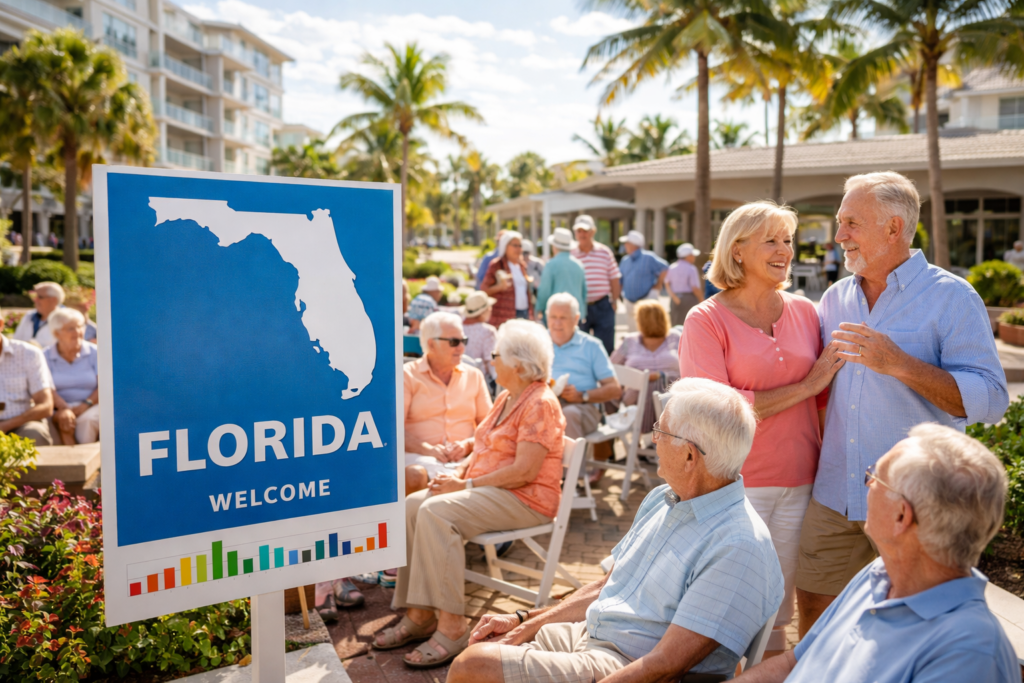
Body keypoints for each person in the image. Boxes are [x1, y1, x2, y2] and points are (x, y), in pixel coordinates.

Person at [447, 378, 784, 683]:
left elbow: (665, 666)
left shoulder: (738, 544)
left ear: (689, 456)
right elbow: (608, 585)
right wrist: (525, 620)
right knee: (486, 645)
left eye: (661, 432)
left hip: (624, 663)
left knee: (473, 667)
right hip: (592, 634)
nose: (653, 439)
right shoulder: (665, 499)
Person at [797, 171, 1008, 636]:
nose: (839, 236)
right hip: (835, 495)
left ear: (893, 229)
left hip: (915, 504)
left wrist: (899, 363)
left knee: (911, 629)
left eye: (851, 223)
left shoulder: (952, 297)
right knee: (814, 616)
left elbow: (993, 400)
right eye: (839, 222)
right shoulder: (834, 298)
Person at [678, 201, 845, 655]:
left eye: (787, 240)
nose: (784, 250)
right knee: (728, 604)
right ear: (736, 251)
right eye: (770, 240)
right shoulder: (704, 320)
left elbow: (826, 400)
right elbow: (717, 411)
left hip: (804, 480)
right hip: (736, 484)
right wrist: (806, 385)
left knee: (779, 607)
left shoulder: (808, 313)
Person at [735, 424, 1018, 683]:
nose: (866, 484)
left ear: (901, 516)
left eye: (874, 477)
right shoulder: (877, 574)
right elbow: (792, 663)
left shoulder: (968, 652)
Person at [373, 320, 566, 669]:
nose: (490, 361)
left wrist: (464, 486)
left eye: (496, 355)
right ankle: (419, 614)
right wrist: (456, 474)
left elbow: (525, 471)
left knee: (437, 512)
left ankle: (452, 625)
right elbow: (481, 448)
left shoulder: (540, 402)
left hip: (525, 498)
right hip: (492, 489)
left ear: (517, 364)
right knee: (413, 505)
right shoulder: (509, 396)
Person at [405, 311, 493, 495]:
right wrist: (427, 449)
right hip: (420, 458)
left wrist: (468, 445)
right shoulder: (407, 375)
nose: (461, 348)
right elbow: (393, 429)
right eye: (454, 342)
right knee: (413, 475)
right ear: (431, 344)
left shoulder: (474, 375)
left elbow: (490, 425)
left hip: (466, 458)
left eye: (463, 341)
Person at [547, 293, 622, 439]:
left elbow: (615, 390)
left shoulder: (591, 345)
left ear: (576, 319)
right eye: (553, 317)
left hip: (583, 407)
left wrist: (582, 396)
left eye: (563, 318)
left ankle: (571, 463)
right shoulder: (538, 341)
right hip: (545, 404)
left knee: (568, 415)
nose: (557, 323)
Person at [610, 300, 680, 434]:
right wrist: (642, 378)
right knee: (646, 388)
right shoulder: (629, 341)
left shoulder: (675, 338)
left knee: (659, 391)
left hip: (672, 397)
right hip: (635, 398)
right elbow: (610, 368)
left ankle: (650, 437)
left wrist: (659, 376)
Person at [44, 308, 99, 445]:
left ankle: (85, 460)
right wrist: (64, 408)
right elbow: (45, 387)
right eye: (70, 329)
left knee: (88, 420)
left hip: (91, 404)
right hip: (57, 407)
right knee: (58, 421)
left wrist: (86, 404)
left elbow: (104, 385)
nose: (78, 332)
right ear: (57, 333)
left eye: (80, 326)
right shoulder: (44, 355)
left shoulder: (94, 352)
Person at [0, 307, 54, 445]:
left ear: (1, 324)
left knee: (34, 433)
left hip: (21, 424)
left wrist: (5, 426)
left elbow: (46, 405)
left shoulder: (29, 353)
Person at [572, 215, 622, 354]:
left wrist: (614, 301)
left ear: (593, 232)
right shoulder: (571, 253)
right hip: (580, 306)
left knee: (606, 347)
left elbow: (614, 278)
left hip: (603, 305)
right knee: (581, 348)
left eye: (585, 231)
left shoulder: (604, 252)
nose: (582, 234)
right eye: (579, 231)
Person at [618, 229, 668, 332]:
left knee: (649, 329)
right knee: (632, 331)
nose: (625, 245)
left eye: (627, 243)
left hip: (646, 299)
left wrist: (658, 284)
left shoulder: (648, 257)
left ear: (633, 244)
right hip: (629, 301)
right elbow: (621, 279)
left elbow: (665, 268)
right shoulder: (625, 260)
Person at [482, 231, 533, 327]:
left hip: (523, 312)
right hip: (504, 316)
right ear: (505, 246)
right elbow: (484, 290)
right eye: (515, 245)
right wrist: (499, 287)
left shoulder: (521, 265)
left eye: (520, 246)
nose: (519, 249)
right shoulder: (497, 265)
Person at [535, 228, 587, 322]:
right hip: (575, 313)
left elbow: (544, 291)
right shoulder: (579, 265)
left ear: (554, 246)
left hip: (557, 315)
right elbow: (583, 292)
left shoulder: (550, 265)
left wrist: (539, 309)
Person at [13, 281, 65, 348]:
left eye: (39, 297)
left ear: (53, 300)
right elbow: (16, 341)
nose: (35, 300)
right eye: (34, 296)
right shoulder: (29, 316)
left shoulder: (66, 320)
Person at [462, 291, 498, 383]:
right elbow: (491, 361)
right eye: (489, 308)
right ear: (482, 312)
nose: (491, 310)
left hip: (458, 376)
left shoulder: (457, 327)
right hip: (479, 380)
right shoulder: (488, 331)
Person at [666, 243, 704, 326]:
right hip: (689, 299)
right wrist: (701, 300)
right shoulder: (691, 268)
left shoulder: (672, 267)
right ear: (688, 256)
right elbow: (695, 288)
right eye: (692, 255)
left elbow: (667, 283)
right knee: (690, 325)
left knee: (675, 324)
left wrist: (673, 296)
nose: (694, 257)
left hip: (675, 299)